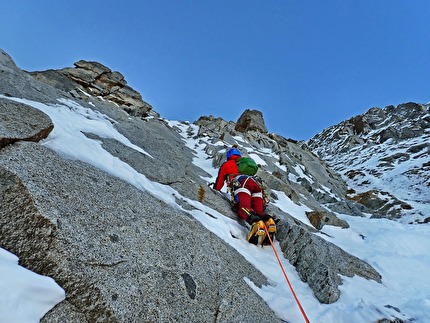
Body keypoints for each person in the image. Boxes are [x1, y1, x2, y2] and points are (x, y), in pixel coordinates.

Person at [214, 146, 276, 245]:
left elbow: (220, 181)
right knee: (258, 211)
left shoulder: (227, 164)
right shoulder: (243, 164)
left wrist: (214, 190)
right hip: (255, 184)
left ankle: (257, 224)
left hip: (242, 183)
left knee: (243, 208)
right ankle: (269, 221)